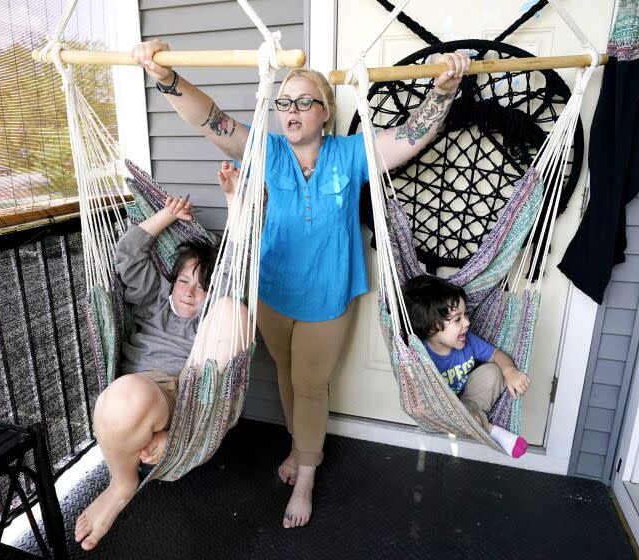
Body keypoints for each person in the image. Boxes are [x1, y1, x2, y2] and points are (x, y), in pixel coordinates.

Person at [131, 38, 471, 529]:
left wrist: (443, 91)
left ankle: (307, 474)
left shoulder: (352, 154)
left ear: (325, 113)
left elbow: (413, 136)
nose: (290, 110)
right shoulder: (266, 151)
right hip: (274, 294)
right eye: (283, 102)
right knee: (289, 377)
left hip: (328, 297)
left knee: (310, 385)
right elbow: (211, 121)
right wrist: (166, 78)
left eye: (303, 101)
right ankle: (300, 447)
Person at [74, 168, 248, 551]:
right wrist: (166, 215)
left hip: (179, 393)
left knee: (235, 310)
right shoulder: (153, 297)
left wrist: (234, 201)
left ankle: (134, 473)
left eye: (203, 287)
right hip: (133, 390)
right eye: (185, 281)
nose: (190, 292)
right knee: (125, 398)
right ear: (171, 279)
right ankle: (126, 475)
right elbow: (128, 254)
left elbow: (235, 271)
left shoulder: (209, 318)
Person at [403, 275, 530, 458]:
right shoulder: (419, 354)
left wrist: (510, 371)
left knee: (494, 371)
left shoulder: (468, 342)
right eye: (457, 320)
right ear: (432, 328)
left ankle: (471, 418)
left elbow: (496, 355)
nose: (467, 323)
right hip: (439, 409)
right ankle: (489, 428)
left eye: (465, 315)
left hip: (468, 401)